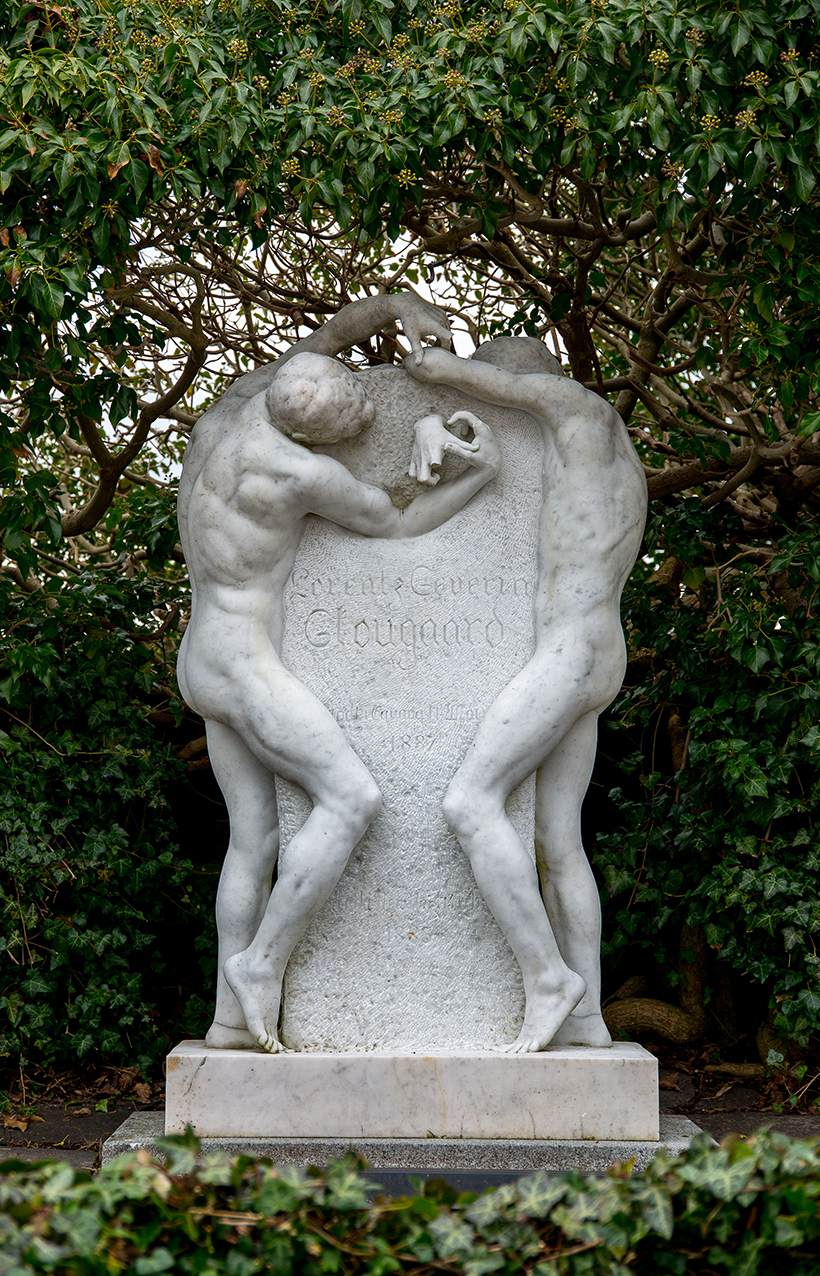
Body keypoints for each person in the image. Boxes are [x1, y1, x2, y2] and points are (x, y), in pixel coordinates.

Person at [176, 293, 500, 1053]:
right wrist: (477, 477)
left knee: (252, 843)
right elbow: (396, 520)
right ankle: (261, 966)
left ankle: (228, 1022)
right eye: (353, 422)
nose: (364, 420)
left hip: (202, 654)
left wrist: (397, 305)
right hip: (243, 663)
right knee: (351, 798)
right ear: (309, 436)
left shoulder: (229, 415)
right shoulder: (293, 476)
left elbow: (327, 339)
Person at [405, 341, 647, 1052]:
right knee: (558, 841)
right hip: (591, 650)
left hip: (571, 652)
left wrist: (434, 390)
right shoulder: (607, 454)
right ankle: (587, 1020)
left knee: (469, 803)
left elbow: (445, 372)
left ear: (519, 378)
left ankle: (548, 978)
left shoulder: (581, 411)